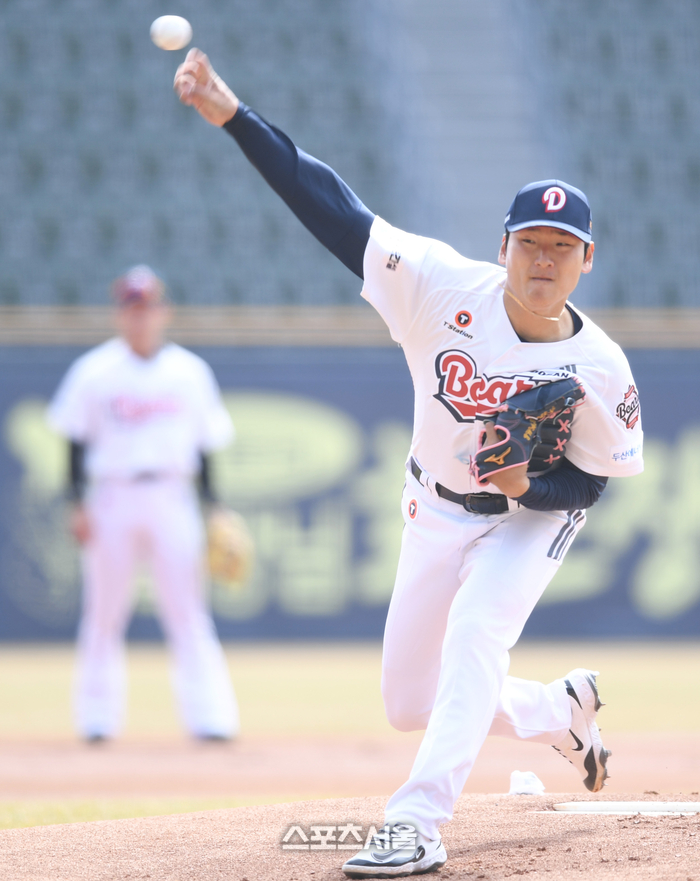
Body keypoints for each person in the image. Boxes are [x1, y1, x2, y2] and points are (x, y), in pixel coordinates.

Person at [173, 49, 644, 877]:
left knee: (475, 634)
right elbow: (332, 207)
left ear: (587, 259)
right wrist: (235, 117)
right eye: (530, 242)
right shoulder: (437, 285)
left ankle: (416, 821)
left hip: (529, 519)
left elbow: (593, 480)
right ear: (502, 246)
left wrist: (529, 483)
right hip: (432, 505)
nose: (544, 259)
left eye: (562, 247)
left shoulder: (602, 366)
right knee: (408, 701)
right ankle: (557, 710)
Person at [48, 265, 239, 743]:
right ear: (120, 314)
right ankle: (96, 720)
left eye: (148, 306)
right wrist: (76, 503)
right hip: (112, 496)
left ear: (163, 311)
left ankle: (211, 719)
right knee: (103, 612)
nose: (140, 316)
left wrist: (214, 507)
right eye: (132, 307)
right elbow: (74, 443)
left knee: (188, 611)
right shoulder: (94, 371)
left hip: (172, 495)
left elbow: (205, 448)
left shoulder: (190, 372)